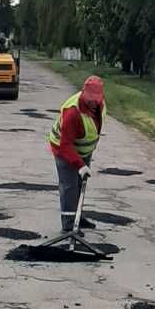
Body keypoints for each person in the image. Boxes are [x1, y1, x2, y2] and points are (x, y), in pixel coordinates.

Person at [48, 75, 105, 231]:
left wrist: (83, 161)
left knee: (81, 184)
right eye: (90, 98)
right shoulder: (73, 112)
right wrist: (79, 165)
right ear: (83, 93)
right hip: (63, 149)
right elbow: (65, 145)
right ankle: (68, 226)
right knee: (69, 186)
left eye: (96, 98)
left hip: (83, 150)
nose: (92, 101)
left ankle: (77, 218)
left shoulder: (100, 105)